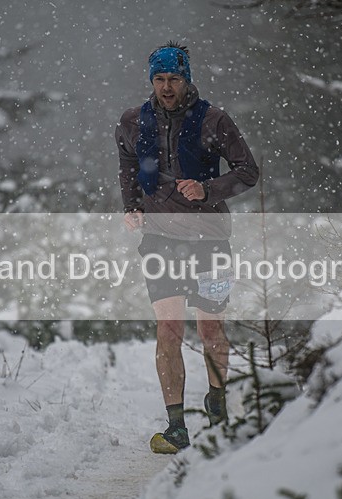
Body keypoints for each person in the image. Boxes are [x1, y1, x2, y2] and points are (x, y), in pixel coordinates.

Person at [115, 41, 259, 454]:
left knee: (211, 328)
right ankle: (176, 426)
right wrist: (132, 206)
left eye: (173, 78)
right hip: (159, 240)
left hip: (210, 241)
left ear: (187, 78)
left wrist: (208, 188)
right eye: (159, 79)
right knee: (169, 331)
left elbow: (249, 171)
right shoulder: (132, 122)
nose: (166, 87)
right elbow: (127, 163)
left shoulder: (214, 120)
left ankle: (217, 408)